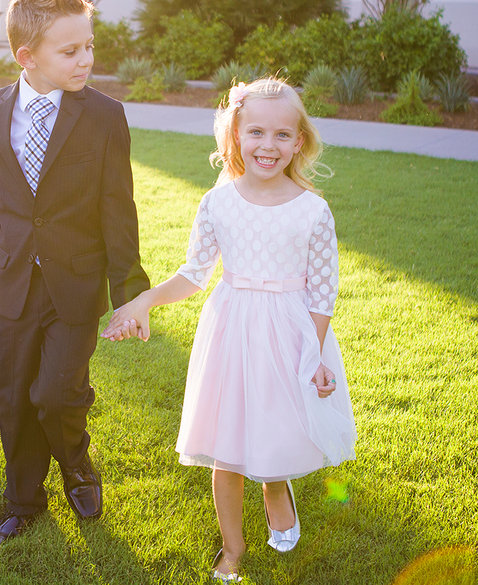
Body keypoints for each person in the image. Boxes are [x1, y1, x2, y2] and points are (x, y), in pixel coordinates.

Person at [103, 77, 356, 581]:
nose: (269, 145)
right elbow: (193, 274)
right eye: (256, 132)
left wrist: (316, 355)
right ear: (236, 135)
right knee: (227, 442)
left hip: (288, 332)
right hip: (230, 327)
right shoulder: (218, 203)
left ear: (299, 141)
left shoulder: (313, 211)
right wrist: (146, 299)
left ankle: (275, 486)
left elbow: (322, 294)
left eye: (283, 135)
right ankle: (233, 548)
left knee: (276, 425)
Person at [0, 0, 150, 545]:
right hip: (14, 281)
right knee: (15, 394)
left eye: (89, 46)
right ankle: (22, 500)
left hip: (76, 284)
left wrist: (130, 293)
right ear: (27, 57)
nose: (86, 59)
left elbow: (119, 206)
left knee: (57, 394)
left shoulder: (104, 116)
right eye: (70, 52)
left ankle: (78, 467)